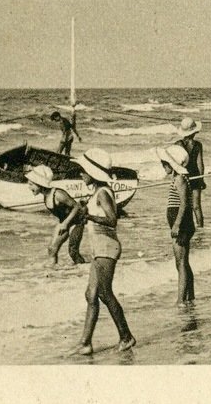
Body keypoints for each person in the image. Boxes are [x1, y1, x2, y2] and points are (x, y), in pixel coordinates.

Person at [73, 148, 135, 354]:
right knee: (91, 294)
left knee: (104, 293)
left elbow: (112, 220)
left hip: (106, 246)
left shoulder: (102, 193)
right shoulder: (97, 192)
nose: (80, 175)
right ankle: (84, 343)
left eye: (83, 171)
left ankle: (126, 337)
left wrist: (89, 216)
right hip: (100, 246)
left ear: (92, 173)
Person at [156, 144, 195, 306]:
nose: (163, 166)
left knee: (181, 263)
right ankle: (189, 295)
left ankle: (181, 299)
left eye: (165, 163)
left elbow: (184, 204)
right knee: (182, 262)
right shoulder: (179, 178)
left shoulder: (179, 179)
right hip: (180, 222)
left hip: (181, 223)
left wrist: (177, 224)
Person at [26, 165, 86, 265]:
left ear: (40, 184)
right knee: (52, 249)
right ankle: (53, 272)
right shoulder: (46, 196)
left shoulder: (58, 194)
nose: (29, 187)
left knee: (73, 252)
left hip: (77, 221)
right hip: (65, 221)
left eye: (31, 185)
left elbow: (77, 206)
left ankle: (83, 269)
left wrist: (65, 224)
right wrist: (63, 223)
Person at [176, 117, 206, 228]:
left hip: (183, 176)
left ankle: (184, 226)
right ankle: (200, 227)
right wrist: (202, 179)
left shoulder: (178, 144)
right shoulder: (198, 145)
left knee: (183, 204)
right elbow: (200, 164)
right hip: (195, 176)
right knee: (197, 206)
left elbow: (176, 163)